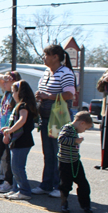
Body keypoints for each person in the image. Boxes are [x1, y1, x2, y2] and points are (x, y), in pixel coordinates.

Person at [34, 45, 76, 198]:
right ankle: (46, 184)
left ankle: (61, 186)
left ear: (55, 57)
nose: (43, 58)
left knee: (59, 153)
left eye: (46, 55)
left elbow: (70, 94)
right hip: (46, 118)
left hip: (58, 119)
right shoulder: (46, 72)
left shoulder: (65, 72)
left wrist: (49, 96)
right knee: (48, 153)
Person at [0, 81, 38, 201]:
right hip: (18, 140)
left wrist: (10, 130)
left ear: (20, 92)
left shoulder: (23, 106)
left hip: (22, 141)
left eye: (14, 92)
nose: (12, 94)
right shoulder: (20, 105)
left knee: (17, 167)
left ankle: (24, 191)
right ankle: (16, 189)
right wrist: (8, 128)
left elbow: (22, 120)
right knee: (15, 167)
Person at [58, 111, 94, 213]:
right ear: (82, 123)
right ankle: (64, 204)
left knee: (83, 184)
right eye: (85, 128)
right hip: (65, 162)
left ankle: (85, 205)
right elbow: (61, 139)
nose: (84, 131)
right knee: (65, 185)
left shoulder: (74, 130)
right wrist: (75, 141)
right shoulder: (68, 128)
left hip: (75, 161)